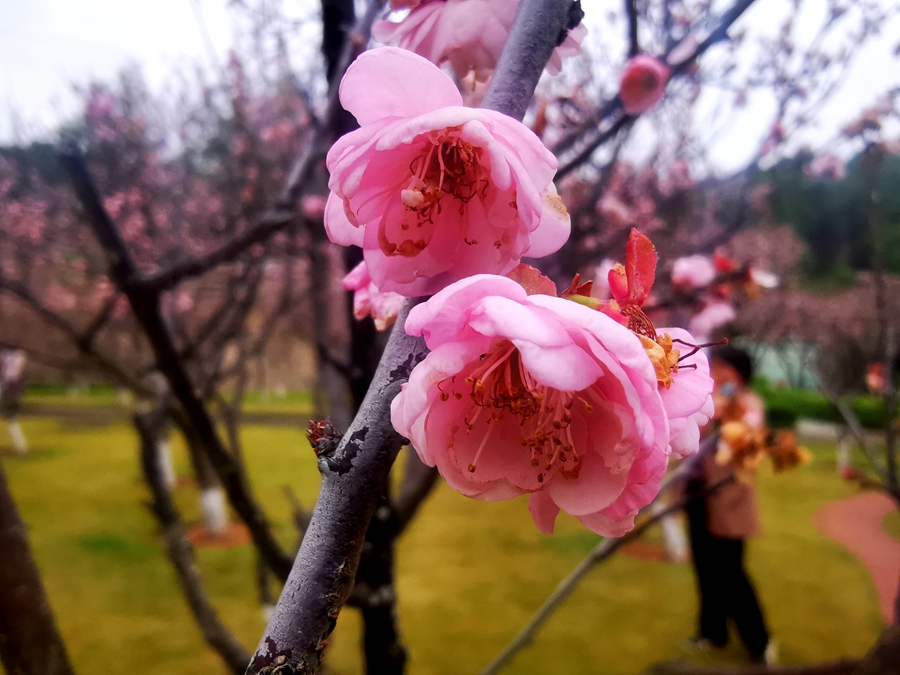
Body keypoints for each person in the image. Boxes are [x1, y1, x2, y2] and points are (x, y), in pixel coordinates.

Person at [684, 345, 776, 664]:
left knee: (732, 573)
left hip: (728, 500)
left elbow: (745, 454)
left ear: (741, 375)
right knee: (704, 567)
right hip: (697, 496)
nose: (718, 373)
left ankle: (760, 642)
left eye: (726, 369)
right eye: (716, 366)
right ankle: (712, 631)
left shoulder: (749, 405)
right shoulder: (709, 401)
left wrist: (727, 416)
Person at [0, 349, 28, 455]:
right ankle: (19, 445)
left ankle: (21, 446)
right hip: (14, 391)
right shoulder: (19, 356)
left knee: (11, 421)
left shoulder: (8, 358)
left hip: (9, 391)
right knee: (11, 421)